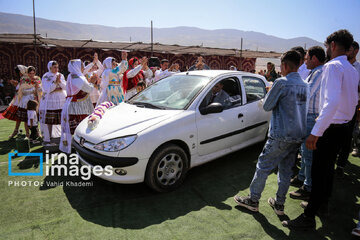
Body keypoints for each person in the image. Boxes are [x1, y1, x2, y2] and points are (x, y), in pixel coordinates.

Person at [282, 29, 358, 230]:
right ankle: (321, 205)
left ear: (333, 45)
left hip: (330, 128)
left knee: (318, 172)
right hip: (343, 127)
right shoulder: (351, 69)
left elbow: (331, 102)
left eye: (327, 46)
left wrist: (316, 131)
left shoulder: (332, 67)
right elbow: (351, 101)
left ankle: (308, 217)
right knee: (327, 171)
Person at [234, 50, 308, 215]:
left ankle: (253, 200)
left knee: (263, 167)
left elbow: (267, 106)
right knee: (286, 170)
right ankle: (279, 204)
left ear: (284, 65)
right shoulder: (305, 84)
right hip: (298, 135)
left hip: (280, 134)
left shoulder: (281, 83)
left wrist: (269, 93)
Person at [289, 46, 325, 200]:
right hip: (308, 115)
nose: (305, 60)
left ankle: (308, 187)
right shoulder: (314, 72)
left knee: (308, 154)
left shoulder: (319, 72)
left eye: (307, 57)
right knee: (305, 152)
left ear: (314, 58)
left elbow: (307, 92)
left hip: (311, 116)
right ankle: (302, 177)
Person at [60, 59, 96, 153]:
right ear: (77, 66)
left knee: (74, 126)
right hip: (79, 105)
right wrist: (92, 82)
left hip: (72, 103)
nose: (83, 67)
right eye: (81, 65)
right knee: (81, 127)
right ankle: (81, 147)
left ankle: (73, 146)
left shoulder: (71, 76)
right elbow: (89, 89)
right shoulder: (78, 78)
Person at [39, 61, 66, 146]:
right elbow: (47, 89)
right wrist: (55, 84)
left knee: (62, 120)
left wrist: (59, 83)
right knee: (50, 121)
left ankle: (63, 137)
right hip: (50, 102)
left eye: (57, 67)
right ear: (50, 68)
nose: (56, 69)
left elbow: (65, 87)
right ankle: (49, 137)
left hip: (61, 101)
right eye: (54, 67)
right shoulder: (46, 76)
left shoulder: (60, 75)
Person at [3, 65, 28, 138]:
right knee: (19, 116)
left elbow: (24, 88)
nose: (19, 74)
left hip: (25, 99)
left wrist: (17, 85)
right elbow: (20, 88)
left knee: (26, 116)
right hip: (20, 99)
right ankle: (16, 130)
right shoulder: (22, 78)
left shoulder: (26, 78)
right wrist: (16, 84)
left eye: (19, 72)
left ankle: (29, 133)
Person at [349, 41, 360, 157]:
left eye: (350, 49)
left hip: (356, 104)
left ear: (356, 51)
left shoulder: (359, 68)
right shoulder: (342, 66)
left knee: (355, 128)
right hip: (342, 104)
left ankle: (356, 146)